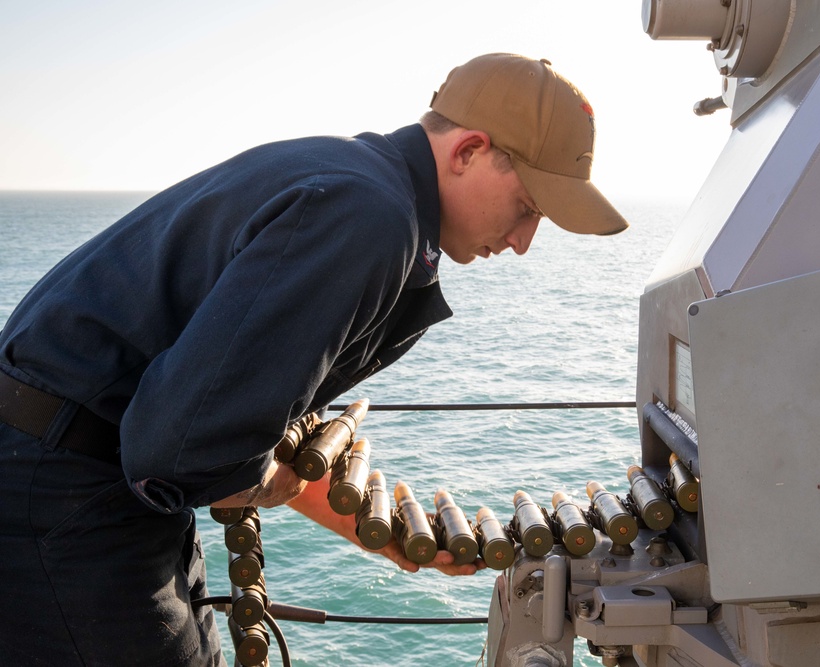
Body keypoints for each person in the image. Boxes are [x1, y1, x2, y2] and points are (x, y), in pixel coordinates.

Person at [0, 53, 628, 665]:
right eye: (527, 208)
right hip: (63, 489)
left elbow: (235, 409)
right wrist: (277, 479)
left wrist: (382, 535)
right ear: (468, 151)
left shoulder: (356, 179)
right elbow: (182, 450)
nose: (522, 242)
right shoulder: (370, 217)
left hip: (91, 476)